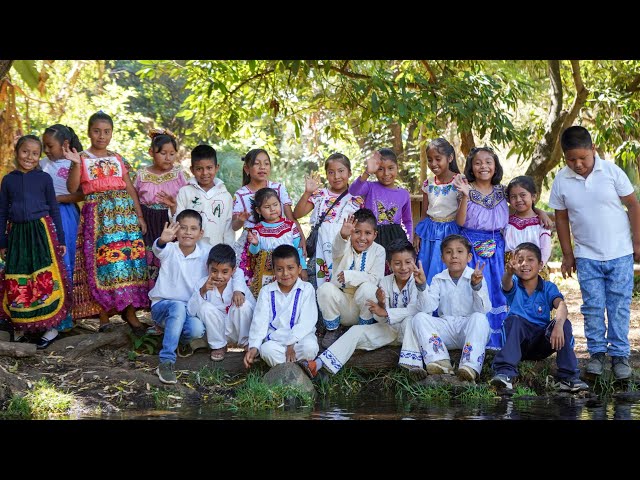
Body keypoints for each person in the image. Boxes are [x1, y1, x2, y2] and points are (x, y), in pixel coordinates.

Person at [549, 125, 640, 380]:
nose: (577, 164)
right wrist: (567, 254)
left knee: (619, 305)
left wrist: (637, 243)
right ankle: (597, 354)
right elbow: (561, 217)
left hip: (620, 253)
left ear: (593, 149)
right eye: (571, 159)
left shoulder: (611, 172)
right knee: (593, 306)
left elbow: (633, 205)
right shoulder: (561, 180)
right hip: (586, 255)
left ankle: (620, 355)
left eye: (583, 158)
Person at [66, 111, 149, 334]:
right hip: (99, 217)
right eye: (96, 131)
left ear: (111, 133)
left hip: (124, 218)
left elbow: (129, 188)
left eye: (106, 131)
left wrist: (139, 216)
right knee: (102, 264)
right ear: (89, 132)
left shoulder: (117, 157)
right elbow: (73, 188)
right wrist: (75, 164)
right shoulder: (81, 157)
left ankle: (129, 311)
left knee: (127, 263)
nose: (102, 136)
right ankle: (103, 317)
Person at [299, 239, 427, 378]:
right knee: (356, 331)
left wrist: (387, 311)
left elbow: (419, 310)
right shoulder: (385, 281)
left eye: (408, 262)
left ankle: (414, 366)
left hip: (410, 333)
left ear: (415, 261)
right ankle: (317, 365)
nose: (403, 267)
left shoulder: (418, 281)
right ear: (389, 265)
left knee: (409, 320)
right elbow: (382, 318)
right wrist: (381, 305)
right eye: (397, 263)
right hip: (389, 331)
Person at [490, 243, 589, 392]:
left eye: (530, 260)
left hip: (542, 342)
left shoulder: (548, 287)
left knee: (565, 323)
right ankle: (505, 373)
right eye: (520, 260)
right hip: (519, 342)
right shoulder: (514, 283)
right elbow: (506, 284)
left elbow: (561, 305)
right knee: (513, 320)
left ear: (540, 264)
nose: (524, 264)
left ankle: (568, 378)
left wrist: (558, 324)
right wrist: (509, 273)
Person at [0, 135, 70, 348]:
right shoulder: (8, 180)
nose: (29, 157)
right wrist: (2, 242)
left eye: (34, 153)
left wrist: (60, 239)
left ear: (39, 156)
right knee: (18, 276)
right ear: (16, 152)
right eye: (24, 151)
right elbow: (2, 212)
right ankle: (22, 327)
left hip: (42, 232)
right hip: (17, 235)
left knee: (43, 274)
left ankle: (50, 328)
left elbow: (54, 209)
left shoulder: (44, 179)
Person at [400, 234, 492, 383]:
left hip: (469, 330)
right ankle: (440, 361)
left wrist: (476, 286)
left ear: (469, 257)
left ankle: (470, 367)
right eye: (449, 252)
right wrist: (422, 286)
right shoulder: (438, 279)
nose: (454, 256)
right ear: (442, 258)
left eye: (459, 252)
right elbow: (427, 307)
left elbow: (483, 309)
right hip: (446, 329)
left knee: (480, 318)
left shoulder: (475, 277)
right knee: (419, 317)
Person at [149, 211, 210, 384]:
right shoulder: (170, 250)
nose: (188, 232)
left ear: (201, 233)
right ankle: (166, 361)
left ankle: (181, 342)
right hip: (163, 307)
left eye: (193, 228)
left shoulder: (205, 255)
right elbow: (157, 249)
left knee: (197, 329)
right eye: (183, 228)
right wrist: (162, 240)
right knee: (176, 307)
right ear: (176, 231)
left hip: (188, 309)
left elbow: (226, 264)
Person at [232, 148, 304, 285]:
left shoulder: (278, 188)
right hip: (252, 244)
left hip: (278, 240)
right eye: (257, 164)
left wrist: (301, 238)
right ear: (247, 168)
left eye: (266, 163)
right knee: (252, 283)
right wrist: (240, 220)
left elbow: (290, 217)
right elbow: (234, 226)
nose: (262, 167)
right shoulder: (241, 194)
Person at [316, 208, 386, 348]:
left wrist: (350, 275)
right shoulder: (344, 245)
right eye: (357, 232)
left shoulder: (379, 251)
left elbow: (376, 278)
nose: (362, 238)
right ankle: (333, 330)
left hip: (363, 309)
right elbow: (337, 248)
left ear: (375, 234)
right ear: (351, 231)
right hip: (341, 304)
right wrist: (343, 235)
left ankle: (362, 331)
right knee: (325, 289)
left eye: (368, 233)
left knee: (369, 289)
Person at [293, 153, 363, 287]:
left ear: (349, 173)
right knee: (317, 288)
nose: (336, 176)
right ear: (326, 175)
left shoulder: (357, 199)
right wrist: (307, 192)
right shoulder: (320, 194)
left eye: (341, 171)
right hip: (319, 252)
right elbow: (297, 214)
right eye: (331, 172)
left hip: (345, 254)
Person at [40, 124, 84, 335]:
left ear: (65, 144)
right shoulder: (41, 165)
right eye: (44, 146)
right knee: (48, 263)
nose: (46, 150)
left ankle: (65, 317)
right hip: (42, 217)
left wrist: (55, 200)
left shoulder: (74, 163)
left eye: (50, 146)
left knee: (66, 262)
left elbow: (80, 193)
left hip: (65, 216)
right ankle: (47, 312)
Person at [243, 245, 318, 369]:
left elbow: (307, 321)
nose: (285, 273)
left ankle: (291, 370)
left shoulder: (306, 289)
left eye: (290, 268)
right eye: (279, 269)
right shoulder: (266, 291)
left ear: (299, 269)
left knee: (310, 347)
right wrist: (254, 347)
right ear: (273, 270)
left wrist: (291, 344)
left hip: (300, 340)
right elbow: (260, 322)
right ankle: (296, 370)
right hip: (277, 341)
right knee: (267, 350)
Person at [134, 128, 188, 289]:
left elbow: (185, 199)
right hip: (148, 221)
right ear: (151, 152)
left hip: (170, 221)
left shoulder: (178, 174)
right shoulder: (142, 174)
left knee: (169, 257)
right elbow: (134, 197)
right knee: (148, 257)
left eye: (172, 153)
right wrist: (140, 218)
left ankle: (170, 294)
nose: (168, 157)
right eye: (163, 153)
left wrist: (174, 207)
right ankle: (149, 299)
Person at [187, 243, 255, 361]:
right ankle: (219, 346)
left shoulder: (237, 284)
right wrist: (202, 292)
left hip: (236, 329)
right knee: (204, 308)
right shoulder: (202, 284)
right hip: (214, 332)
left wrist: (238, 293)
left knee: (244, 305)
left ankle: (246, 343)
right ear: (207, 267)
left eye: (224, 272)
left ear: (233, 271)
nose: (218, 276)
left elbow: (252, 309)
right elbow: (190, 311)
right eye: (214, 271)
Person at [348, 148, 412, 263]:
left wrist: (410, 239)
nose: (386, 173)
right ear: (376, 170)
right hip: (372, 235)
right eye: (381, 169)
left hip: (395, 237)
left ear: (398, 167)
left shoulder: (404, 194)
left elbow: (407, 220)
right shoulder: (370, 187)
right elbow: (353, 190)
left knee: (394, 269)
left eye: (391, 168)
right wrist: (367, 172)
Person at [413, 138, 462, 283]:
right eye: (430, 160)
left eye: (438, 159)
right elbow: (424, 213)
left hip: (451, 231)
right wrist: (418, 233)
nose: (433, 164)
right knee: (427, 267)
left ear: (450, 158)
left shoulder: (459, 181)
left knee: (447, 268)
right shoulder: (428, 183)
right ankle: (429, 303)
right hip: (430, 231)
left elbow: (463, 211)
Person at [247, 188, 306, 296]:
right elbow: (254, 252)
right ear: (258, 210)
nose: (272, 209)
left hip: (288, 271)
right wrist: (255, 244)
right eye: (267, 207)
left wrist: (303, 268)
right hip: (266, 273)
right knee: (269, 297)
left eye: (275, 205)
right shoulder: (258, 229)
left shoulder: (290, 226)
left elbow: (298, 248)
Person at [174, 144, 233, 248]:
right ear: (192, 170)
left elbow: (228, 228)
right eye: (199, 169)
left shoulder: (225, 196)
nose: (205, 173)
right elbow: (177, 223)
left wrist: (228, 250)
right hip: (189, 250)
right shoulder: (185, 192)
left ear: (216, 168)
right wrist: (172, 207)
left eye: (209, 168)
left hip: (216, 251)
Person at [503, 176, 552, 275]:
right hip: (511, 269)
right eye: (513, 196)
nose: (518, 199)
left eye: (523, 195)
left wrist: (538, 267)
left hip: (534, 270)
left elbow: (545, 249)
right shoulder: (506, 222)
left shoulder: (540, 223)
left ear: (533, 197)